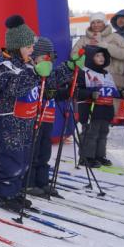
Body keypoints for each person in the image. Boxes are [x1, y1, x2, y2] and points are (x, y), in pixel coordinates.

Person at [0, 15, 73, 211]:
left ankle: (17, 191)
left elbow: (48, 81)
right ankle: (4, 194)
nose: (32, 50)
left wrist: (68, 68)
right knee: (12, 160)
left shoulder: (27, 64)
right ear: (16, 46)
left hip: (27, 120)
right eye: (28, 46)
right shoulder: (3, 65)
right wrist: (36, 73)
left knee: (25, 159)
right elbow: (15, 87)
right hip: (9, 122)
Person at [26, 37, 71, 197]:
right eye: (44, 57)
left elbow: (59, 78)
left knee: (45, 152)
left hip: (48, 117)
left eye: (50, 57)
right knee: (33, 151)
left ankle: (42, 181)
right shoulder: (29, 72)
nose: (48, 60)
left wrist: (70, 67)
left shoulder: (50, 72)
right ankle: (29, 182)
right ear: (34, 57)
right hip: (34, 118)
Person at [76, 46, 119, 167]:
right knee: (91, 133)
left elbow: (112, 90)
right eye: (97, 55)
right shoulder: (84, 72)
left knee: (103, 133)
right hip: (91, 109)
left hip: (105, 109)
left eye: (102, 55)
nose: (101, 58)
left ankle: (99, 155)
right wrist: (90, 93)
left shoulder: (107, 74)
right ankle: (86, 157)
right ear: (90, 58)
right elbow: (77, 91)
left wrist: (121, 93)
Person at [72, 12, 124, 93]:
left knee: (112, 104)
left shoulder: (115, 37)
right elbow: (73, 56)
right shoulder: (83, 40)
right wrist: (87, 50)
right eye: (93, 22)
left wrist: (107, 46)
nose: (96, 25)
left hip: (113, 80)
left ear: (104, 23)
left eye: (99, 22)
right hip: (90, 80)